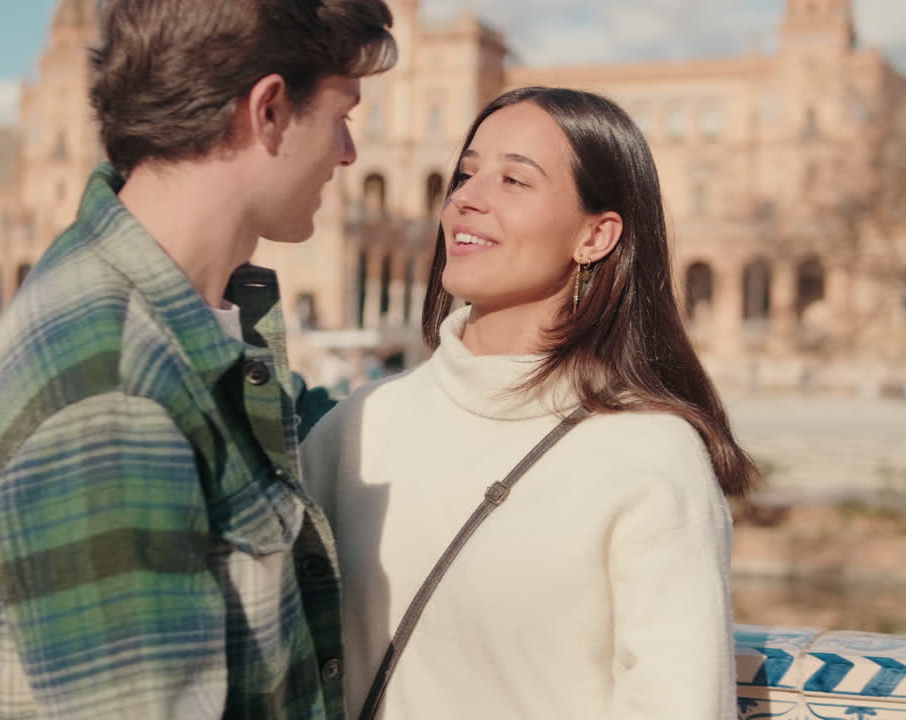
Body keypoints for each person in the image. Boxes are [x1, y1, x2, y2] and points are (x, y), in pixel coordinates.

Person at [0, 1, 395, 717]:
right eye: (343, 116)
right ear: (267, 110)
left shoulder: (190, 333)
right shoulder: (110, 393)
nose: (348, 154)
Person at [300, 86, 759, 719]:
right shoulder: (358, 428)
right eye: (465, 174)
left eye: (514, 180)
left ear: (596, 235)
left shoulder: (648, 455)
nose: (466, 198)